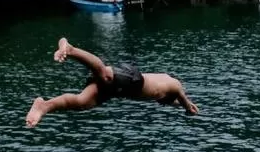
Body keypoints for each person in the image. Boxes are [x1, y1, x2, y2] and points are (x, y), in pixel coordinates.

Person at [25, 37, 199, 127]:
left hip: (120, 90)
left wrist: (183, 105)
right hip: (133, 79)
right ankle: (70, 49)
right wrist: (189, 106)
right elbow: (181, 98)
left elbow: (175, 102)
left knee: (82, 102)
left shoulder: (166, 91)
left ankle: (44, 106)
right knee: (104, 74)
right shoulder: (174, 85)